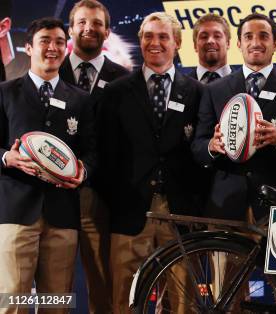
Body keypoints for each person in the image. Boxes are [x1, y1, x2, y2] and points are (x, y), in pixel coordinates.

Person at [97, 12, 203, 313]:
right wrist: (117, 198)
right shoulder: (116, 91)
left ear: (178, 43)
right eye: (147, 36)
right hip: (130, 213)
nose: (154, 43)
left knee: (180, 302)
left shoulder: (196, 92)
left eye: (163, 37)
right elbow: (104, 154)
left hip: (179, 213)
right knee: (124, 298)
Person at [0, 17, 95, 314]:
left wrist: (83, 173)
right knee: (12, 302)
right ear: (28, 47)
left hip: (62, 214)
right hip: (16, 213)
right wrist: (6, 157)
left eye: (58, 42)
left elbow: (95, 153)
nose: (52, 48)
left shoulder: (81, 100)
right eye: (44, 41)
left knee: (57, 304)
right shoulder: (5, 92)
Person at [191, 13, 276, 221]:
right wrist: (212, 145)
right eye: (248, 37)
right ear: (238, 43)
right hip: (225, 203)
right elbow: (198, 145)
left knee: (267, 256)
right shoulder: (214, 90)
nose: (255, 43)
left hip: (275, 205)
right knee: (221, 255)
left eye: (263, 36)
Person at [57, 1, 128, 312]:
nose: (89, 28)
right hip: (51, 197)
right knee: (53, 287)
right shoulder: (49, 70)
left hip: (99, 198)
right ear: (71, 29)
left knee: (102, 286)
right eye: (82, 22)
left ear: (107, 31)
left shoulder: (125, 79)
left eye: (97, 23)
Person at [188, 13, 232, 84]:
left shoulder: (245, 83)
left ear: (228, 43)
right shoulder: (179, 85)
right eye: (204, 37)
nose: (210, 41)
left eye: (217, 36)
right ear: (195, 45)